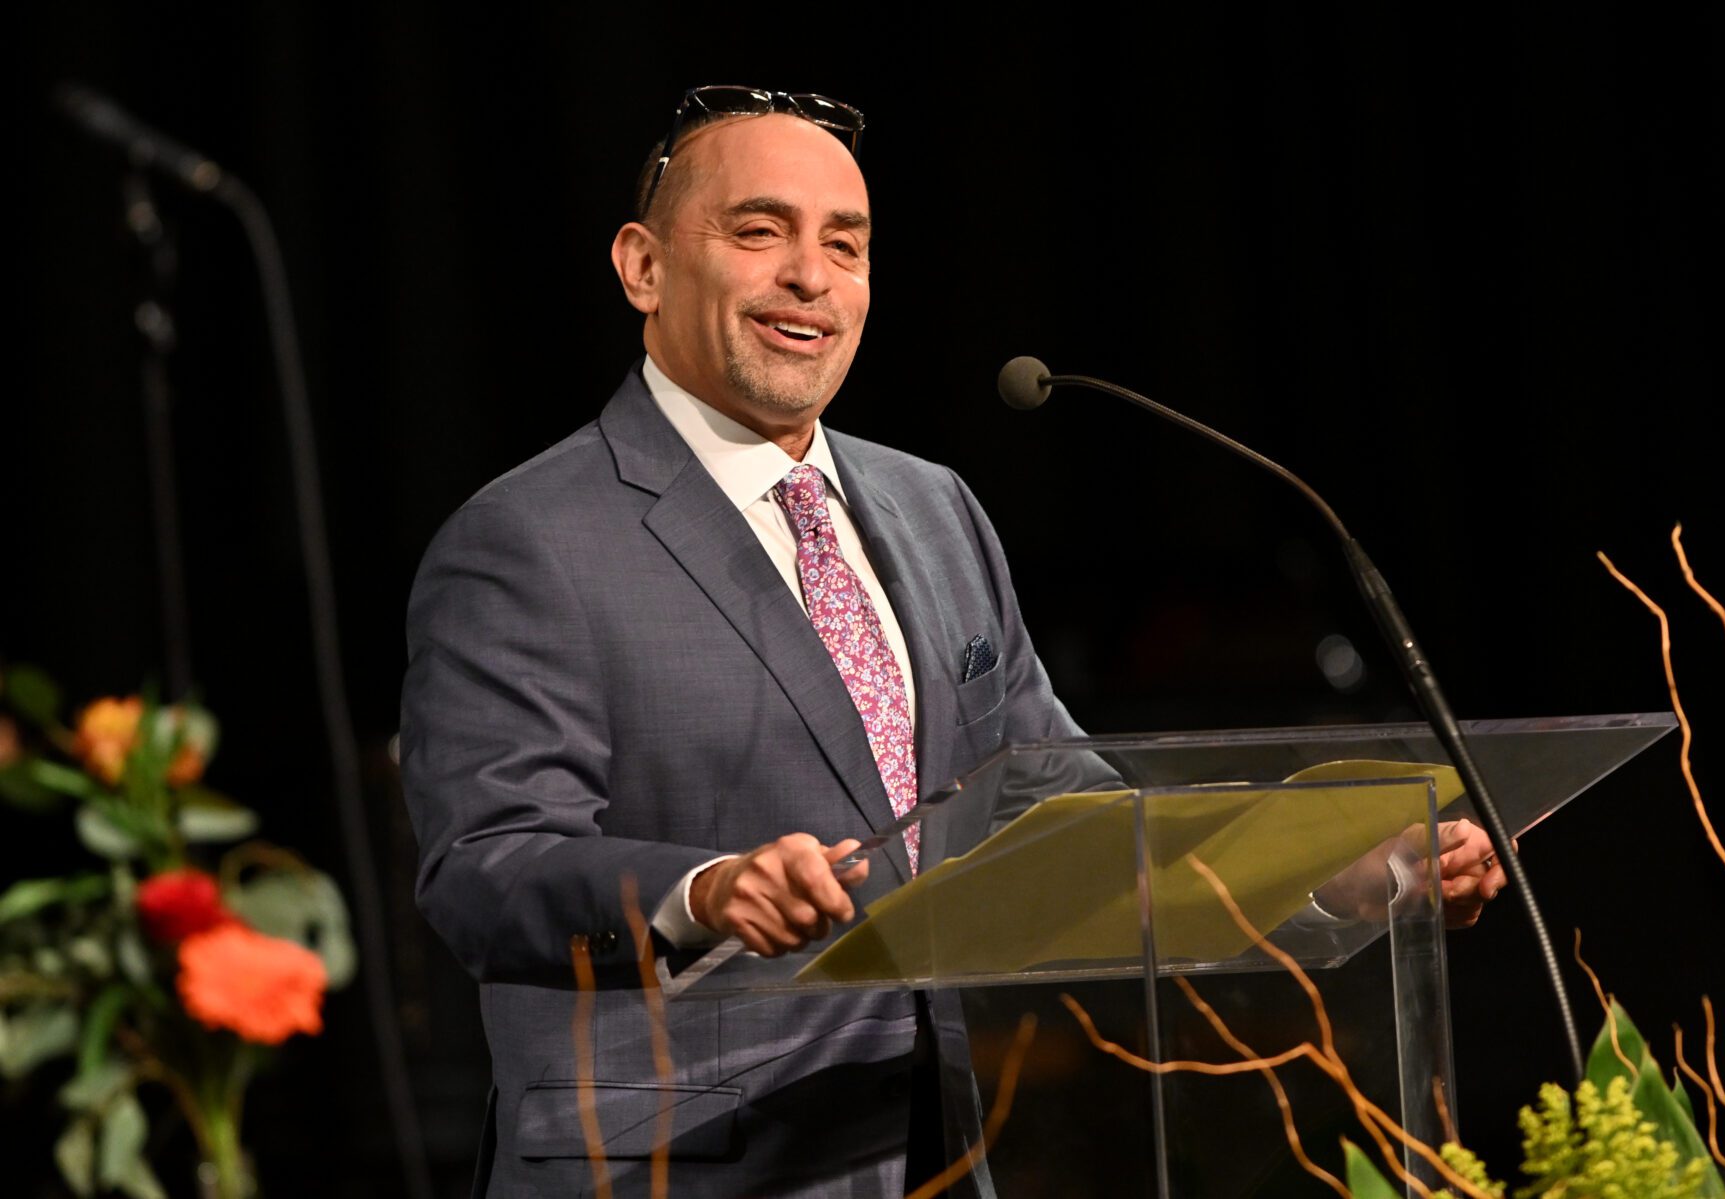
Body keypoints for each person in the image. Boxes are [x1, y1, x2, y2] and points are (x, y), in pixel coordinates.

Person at [401, 86, 1510, 1198]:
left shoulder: (933, 508)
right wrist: (705, 889)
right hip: (679, 1166)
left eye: (847, 244)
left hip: (950, 1146)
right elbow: (486, 866)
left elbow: (1069, 815)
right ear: (642, 266)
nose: (810, 276)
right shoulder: (527, 539)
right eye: (759, 230)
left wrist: (1324, 875)